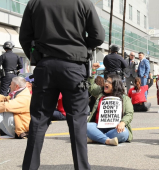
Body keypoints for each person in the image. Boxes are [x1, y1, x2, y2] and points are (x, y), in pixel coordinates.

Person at [19, 0, 105, 169]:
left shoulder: (34, 3)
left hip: (45, 65)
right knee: (77, 122)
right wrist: (79, 46)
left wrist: (36, 57)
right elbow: (98, 36)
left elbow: (24, 37)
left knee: (38, 120)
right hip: (74, 66)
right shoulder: (83, 3)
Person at [87, 63, 133, 146]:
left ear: (115, 85)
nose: (105, 84)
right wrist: (93, 70)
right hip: (98, 127)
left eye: (109, 82)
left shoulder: (125, 98)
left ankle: (96, 138)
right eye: (106, 81)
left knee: (124, 133)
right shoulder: (101, 92)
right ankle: (107, 140)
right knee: (86, 126)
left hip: (115, 129)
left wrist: (123, 123)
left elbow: (129, 114)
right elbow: (91, 87)